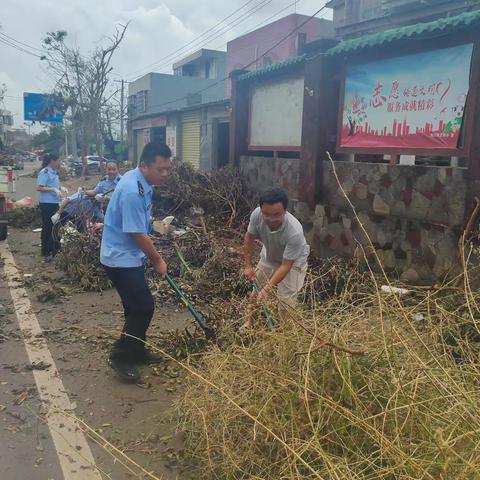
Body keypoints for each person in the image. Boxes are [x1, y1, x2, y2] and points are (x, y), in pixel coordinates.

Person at [100, 142, 172, 382]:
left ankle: (136, 350)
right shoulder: (132, 190)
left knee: (134, 308)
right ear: (144, 165)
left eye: (167, 169)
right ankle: (121, 358)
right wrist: (158, 259)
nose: (165, 174)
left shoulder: (141, 181)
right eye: (160, 169)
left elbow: (141, 226)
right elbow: (137, 233)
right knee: (143, 307)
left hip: (128, 255)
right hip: (120, 258)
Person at [242, 187, 309, 327]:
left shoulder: (294, 231)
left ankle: (286, 334)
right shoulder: (256, 215)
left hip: (294, 264)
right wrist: (248, 266)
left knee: (285, 304)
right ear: (261, 210)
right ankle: (249, 323)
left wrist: (267, 289)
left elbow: (285, 266)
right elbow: (249, 238)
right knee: (255, 294)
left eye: (276, 214)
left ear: (285, 211)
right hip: (270, 256)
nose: (271, 219)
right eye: (266, 214)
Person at [36, 153, 65, 261]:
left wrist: (60, 188)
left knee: (55, 226)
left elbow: (53, 184)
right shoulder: (45, 172)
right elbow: (39, 187)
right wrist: (53, 190)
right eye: (58, 161)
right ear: (52, 161)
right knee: (48, 226)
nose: (59, 163)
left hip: (54, 202)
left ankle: (53, 249)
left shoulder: (54, 172)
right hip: (46, 203)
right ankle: (45, 251)